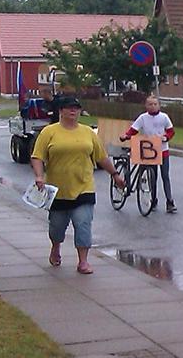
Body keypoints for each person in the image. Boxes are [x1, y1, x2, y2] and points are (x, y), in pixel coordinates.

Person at [30, 96, 125, 274]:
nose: (73, 111)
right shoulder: (49, 132)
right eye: (69, 108)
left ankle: (83, 261)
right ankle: (55, 247)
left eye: (76, 108)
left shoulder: (88, 132)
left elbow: (101, 157)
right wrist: (39, 176)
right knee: (57, 227)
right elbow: (38, 156)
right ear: (61, 111)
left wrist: (115, 174)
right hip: (58, 190)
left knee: (83, 224)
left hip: (84, 187)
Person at [120, 95, 177, 213]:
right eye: (150, 104)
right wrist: (126, 135)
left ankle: (169, 201)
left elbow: (171, 131)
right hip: (148, 151)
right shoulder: (143, 118)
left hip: (162, 151)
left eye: (155, 104)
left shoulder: (164, 117)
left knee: (165, 176)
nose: (153, 106)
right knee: (152, 177)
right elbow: (134, 129)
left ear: (159, 105)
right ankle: (153, 199)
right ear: (146, 106)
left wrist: (166, 137)